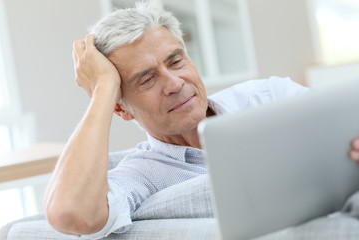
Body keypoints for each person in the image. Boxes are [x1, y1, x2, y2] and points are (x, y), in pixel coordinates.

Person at [44, 2, 359, 239]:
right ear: (121, 110)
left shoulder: (267, 96)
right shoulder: (143, 174)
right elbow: (73, 213)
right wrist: (103, 91)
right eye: (147, 79)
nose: (174, 83)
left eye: (176, 60)